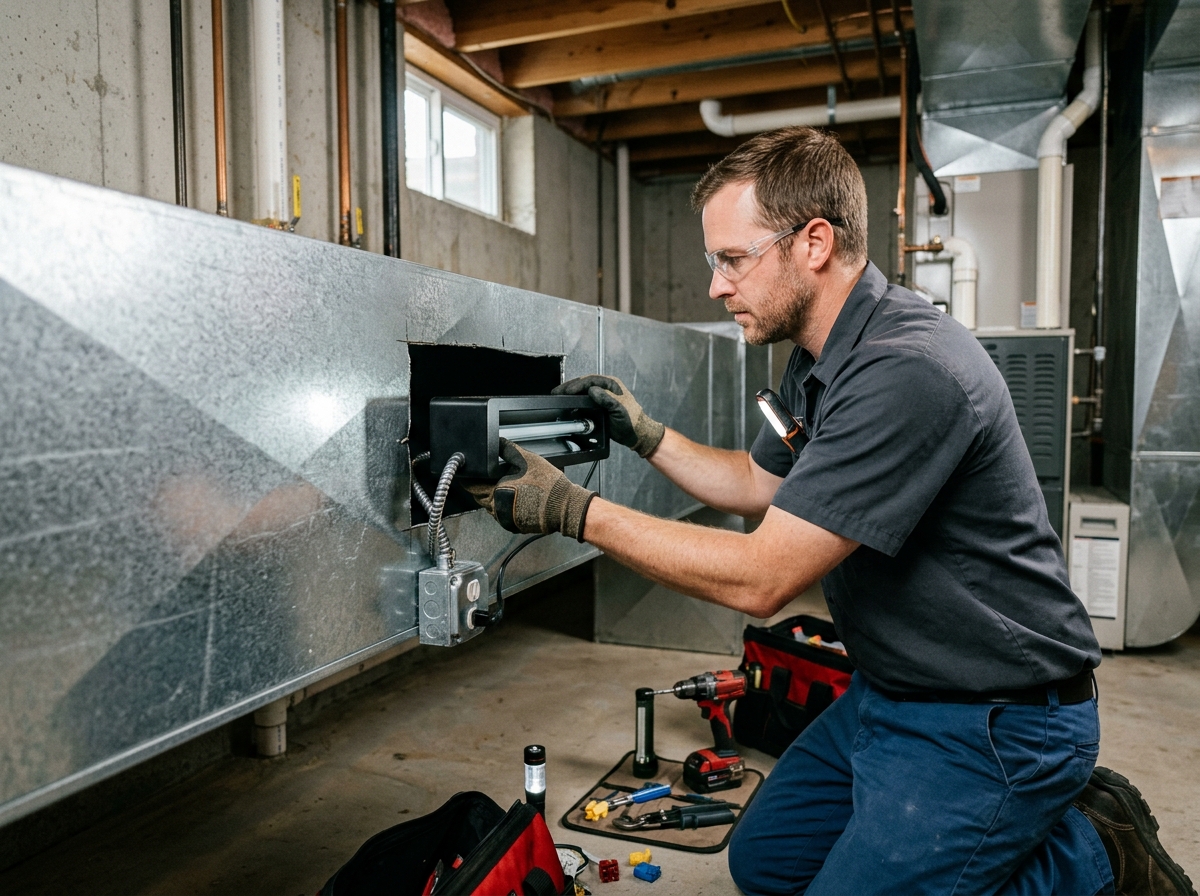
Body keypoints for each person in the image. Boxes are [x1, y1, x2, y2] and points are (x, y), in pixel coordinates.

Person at [468, 127, 1194, 895]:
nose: (717, 286)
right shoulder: (821, 357)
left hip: (996, 715)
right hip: (895, 687)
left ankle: (1091, 857)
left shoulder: (906, 370)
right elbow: (758, 481)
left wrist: (572, 511)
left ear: (813, 242)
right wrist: (646, 436)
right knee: (766, 863)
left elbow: (762, 578)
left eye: (732, 259)